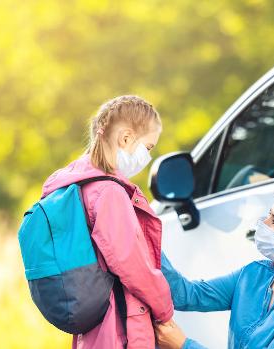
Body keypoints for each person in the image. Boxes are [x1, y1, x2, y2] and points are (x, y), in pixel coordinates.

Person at [40, 95, 174, 349]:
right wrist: (166, 310)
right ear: (125, 138)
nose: (146, 157)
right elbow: (132, 266)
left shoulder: (76, 185)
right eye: (148, 147)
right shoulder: (109, 193)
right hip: (122, 328)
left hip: (96, 328)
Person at [155, 185, 274, 349]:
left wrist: (183, 345)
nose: (262, 224)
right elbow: (187, 295)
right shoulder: (254, 274)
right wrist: (146, 239)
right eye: (268, 215)